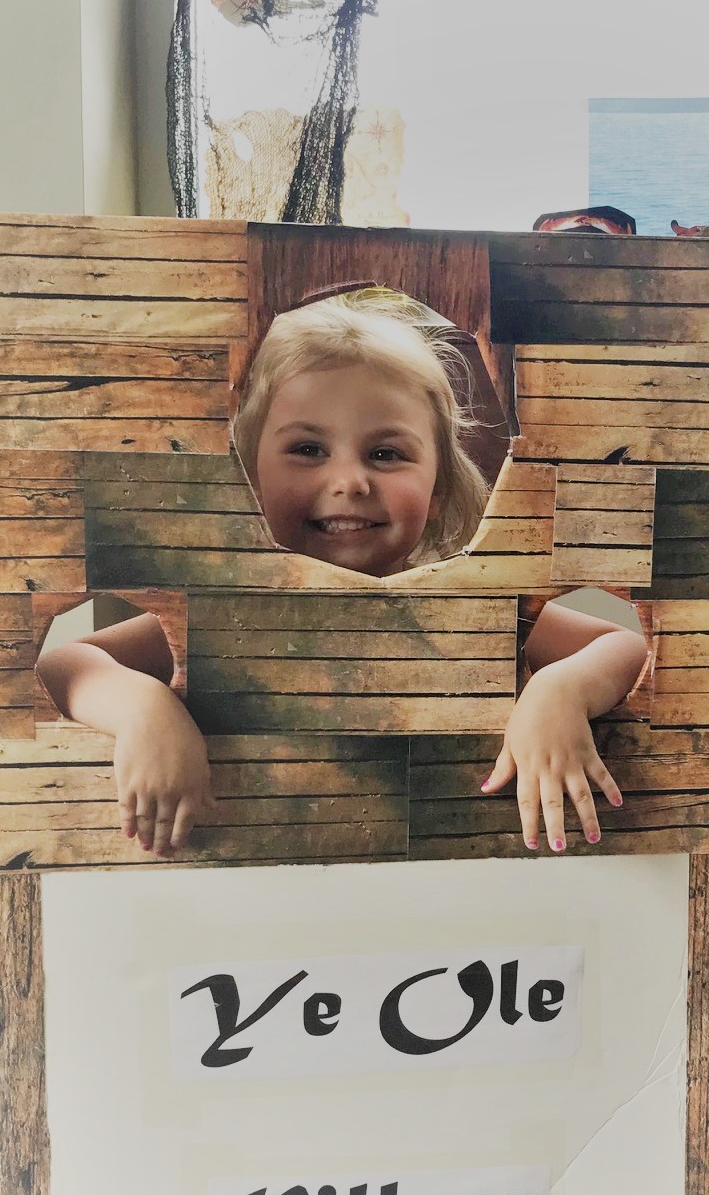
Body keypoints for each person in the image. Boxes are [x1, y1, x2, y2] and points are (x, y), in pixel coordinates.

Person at [36, 288, 646, 859]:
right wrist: (141, 705)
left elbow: (624, 646)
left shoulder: (477, 605)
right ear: (247, 480)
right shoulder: (217, 613)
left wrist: (558, 691)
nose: (350, 480)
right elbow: (64, 665)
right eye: (308, 449)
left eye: (387, 454)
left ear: (437, 488)